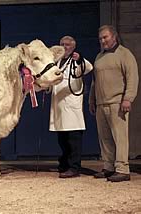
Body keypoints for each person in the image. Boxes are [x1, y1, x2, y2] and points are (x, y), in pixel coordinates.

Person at [89, 25, 139, 182]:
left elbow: (132, 77)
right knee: (105, 138)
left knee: (120, 137)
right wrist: (92, 99)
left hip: (118, 102)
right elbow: (94, 81)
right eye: (100, 38)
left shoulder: (125, 54)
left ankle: (123, 169)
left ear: (114, 36)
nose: (102, 40)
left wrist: (128, 99)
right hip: (101, 104)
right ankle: (109, 167)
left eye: (105, 37)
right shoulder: (99, 57)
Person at [49, 36, 93, 178]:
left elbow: (88, 67)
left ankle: (74, 167)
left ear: (73, 47)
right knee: (62, 139)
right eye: (62, 44)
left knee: (73, 140)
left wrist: (79, 59)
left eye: (67, 45)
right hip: (59, 106)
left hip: (71, 106)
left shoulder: (77, 61)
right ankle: (64, 164)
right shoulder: (56, 62)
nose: (64, 47)